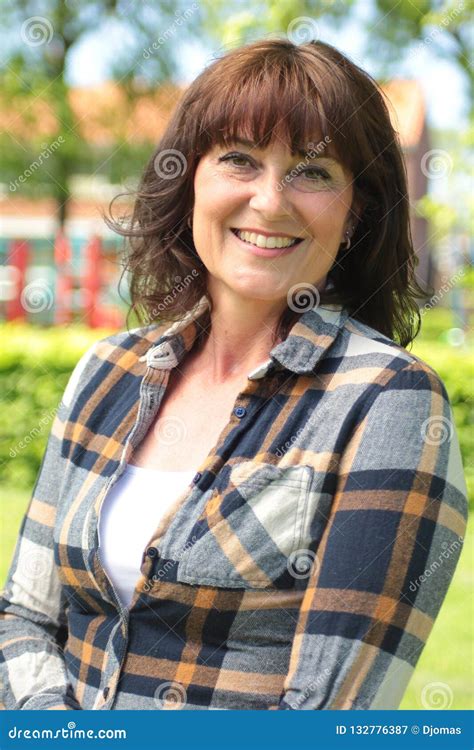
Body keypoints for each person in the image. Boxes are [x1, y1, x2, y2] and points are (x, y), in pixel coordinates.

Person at [0, 38, 468, 711]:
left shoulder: (390, 402)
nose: (270, 201)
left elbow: (327, 714)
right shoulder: (106, 373)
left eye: (312, 171)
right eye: (239, 161)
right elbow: (22, 616)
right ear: (191, 179)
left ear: (356, 209)